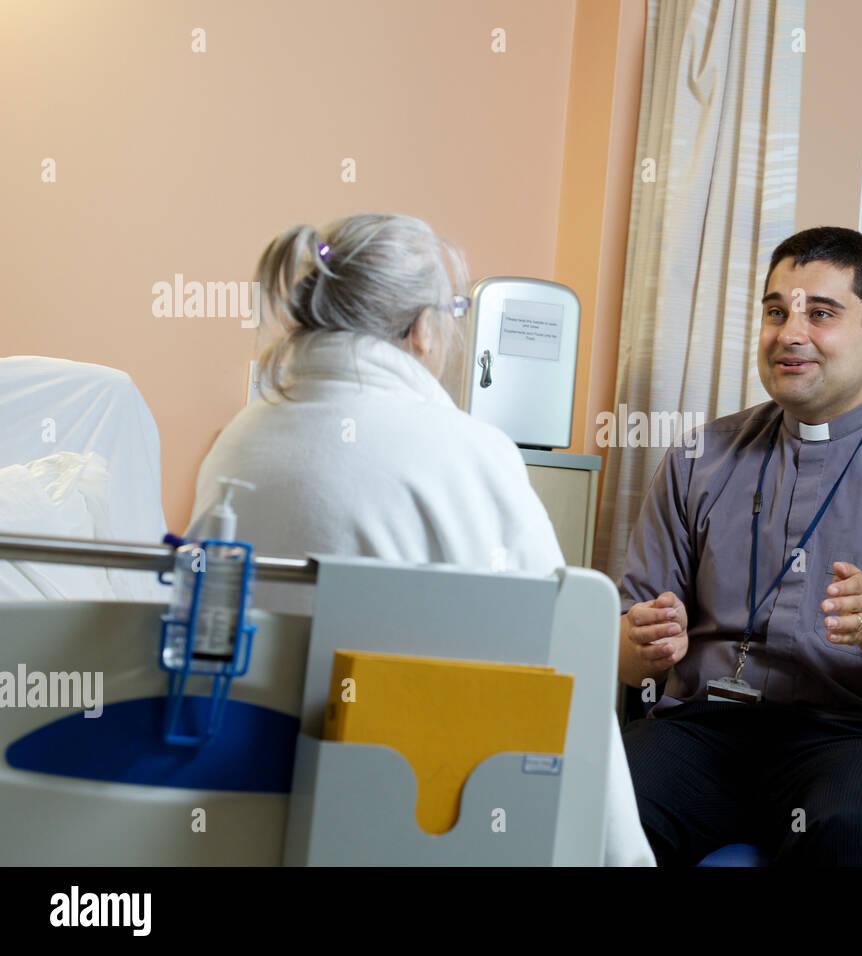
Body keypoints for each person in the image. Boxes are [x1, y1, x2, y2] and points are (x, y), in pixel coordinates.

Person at [188, 213, 654, 866]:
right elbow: (566, 659)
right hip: (414, 827)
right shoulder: (472, 454)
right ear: (422, 328)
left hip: (230, 811)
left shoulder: (238, 439)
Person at [617, 226, 862, 866]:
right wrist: (638, 645)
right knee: (600, 797)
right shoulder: (698, 460)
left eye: (820, 314)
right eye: (776, 312)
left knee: (846, 822)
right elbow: (627, 662)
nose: (789, 333)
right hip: (708, 734)